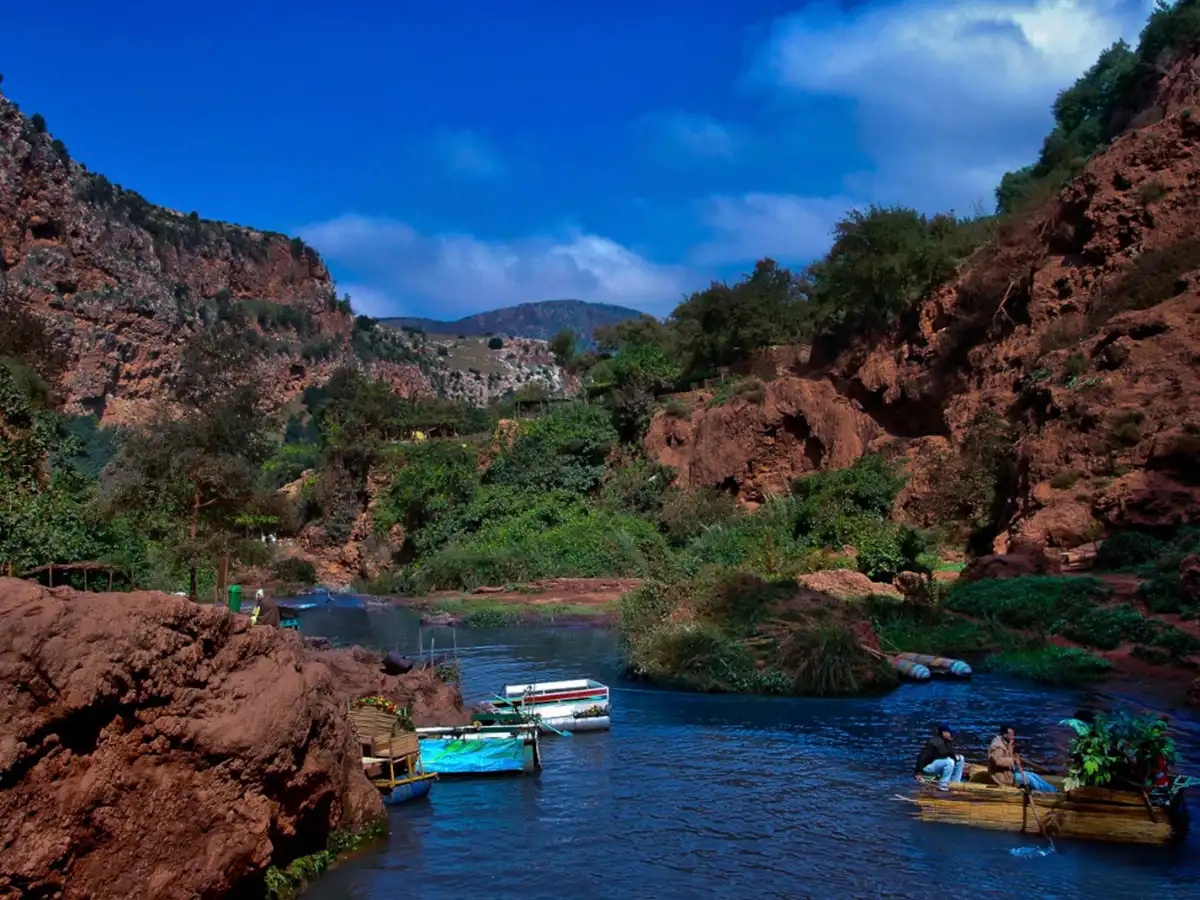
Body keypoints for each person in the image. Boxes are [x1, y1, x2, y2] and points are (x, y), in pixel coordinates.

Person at [989, 725, 1057, 793]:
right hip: (1003, 777)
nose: (1013, 736)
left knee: (1034, 775)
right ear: (1005, 735)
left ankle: (1054, 790)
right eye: (1011, 734)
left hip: (1010, 773)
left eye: (1013, 734)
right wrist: (1013, 760)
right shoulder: (997, 747)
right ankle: (1049, 794)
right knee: (1030, 780)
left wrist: (1014, 757)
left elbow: (1008, 755)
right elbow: (998, 761)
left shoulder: (1008, 742)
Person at [914, 723, 965, 790]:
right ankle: (943, 786)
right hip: (927, 768)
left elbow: (951, 754)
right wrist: (918, 773)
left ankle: (955, 783)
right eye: (949, 732)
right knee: (949, 762)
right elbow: (921, 758)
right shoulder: (935, 742)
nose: (951, 734)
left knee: (961, 758)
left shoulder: (947, 741)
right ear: (943, 732)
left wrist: (957, 759)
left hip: (938, 765)